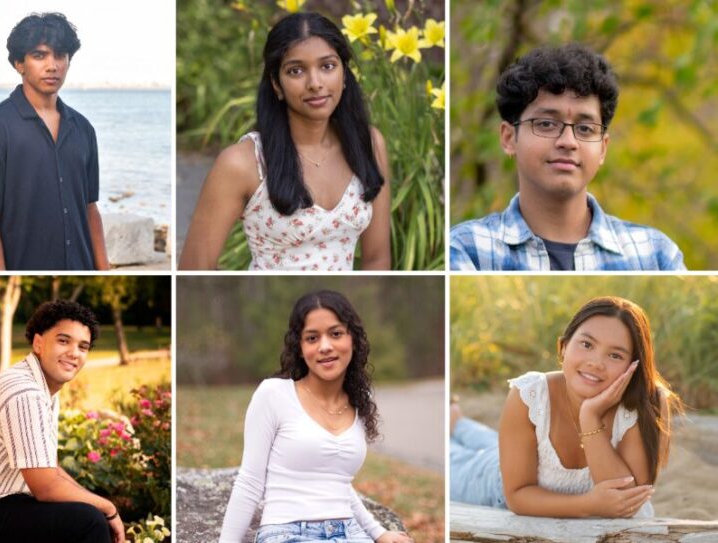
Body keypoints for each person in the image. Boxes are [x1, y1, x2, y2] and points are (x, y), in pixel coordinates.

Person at [179, 12, 391, 271]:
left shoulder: (369, 144)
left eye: (327, 66)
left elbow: (377, 259)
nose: (315, 83)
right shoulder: (242, 163)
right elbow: (195, 266)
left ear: (344, 74)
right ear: (276, 84)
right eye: (296, 70)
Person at [450, 44, 685, 270]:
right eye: (546, 124)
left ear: (603, 148)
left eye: (585, 129)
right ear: (509, 138)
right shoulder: (468, 249)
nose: (568, 142)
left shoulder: (655, 255)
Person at [450, 296, 683, 518]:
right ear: (563, 347)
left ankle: (458, 421)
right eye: (586, 344)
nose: (595, 362)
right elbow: (517, 495)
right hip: (491, 482)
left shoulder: (647, 402)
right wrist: (590, 504)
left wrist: (590, 417)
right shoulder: (529, 394)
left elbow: (626, 500)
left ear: (634, 366)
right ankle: (455, 420)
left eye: (614, 355)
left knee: (492, 442)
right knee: (455, 456)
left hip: (516, 456)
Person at [0, 300, 124, 543]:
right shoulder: (25, 392)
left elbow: (51, 470)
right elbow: (47, 487)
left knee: (86, 512)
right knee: (87, 523)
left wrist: (98, 504)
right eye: (63, 341)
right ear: (38, 343)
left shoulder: (42, 386)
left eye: (83, 346)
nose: (74, 353)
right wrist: (109, 509)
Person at [219, 290, 412, 542]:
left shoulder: (359, 398)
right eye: (312, 338)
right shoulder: (274, 394)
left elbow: (336, 482)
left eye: (335, 334)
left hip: (350, 532)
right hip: (287, 532)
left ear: (352, 338)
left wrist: (378, 533)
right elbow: (249, 482)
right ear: (299, 347)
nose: (325, 346)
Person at [0, 12, 109, 271]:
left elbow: (89, 209)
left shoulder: (83, 129)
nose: (52, 65)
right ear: (19, 63)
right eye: (40, 55)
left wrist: (103, 271)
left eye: (60, 55)